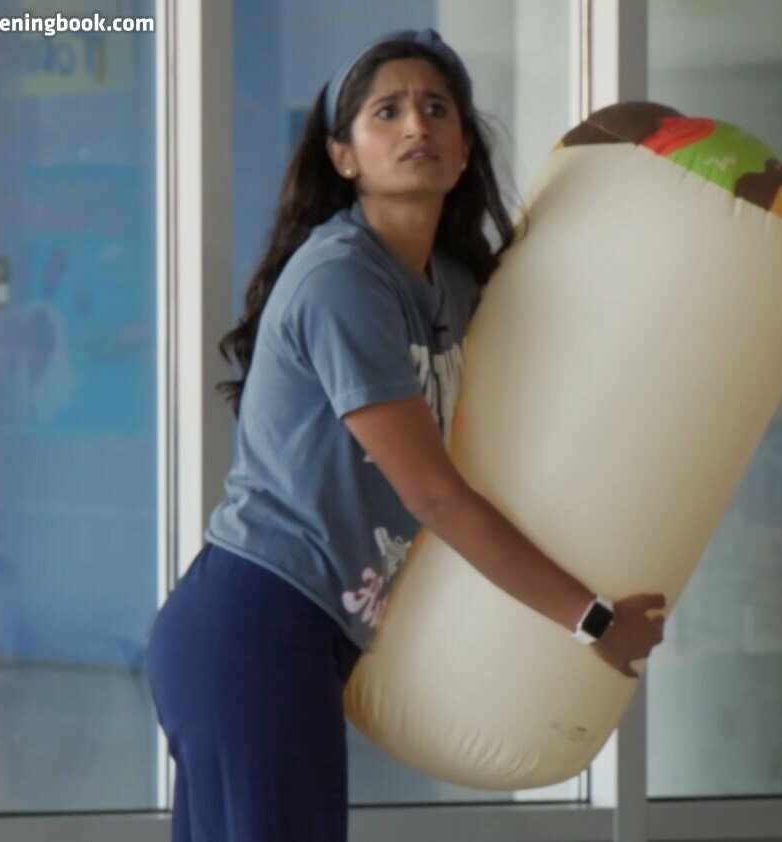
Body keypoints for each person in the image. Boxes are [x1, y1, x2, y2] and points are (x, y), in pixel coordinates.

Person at [146, 28, 666, 842]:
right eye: (386, 112)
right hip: (253, 621)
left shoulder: (449, 282)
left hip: (306, 632)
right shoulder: (340, 279)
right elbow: (432, 495)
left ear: (464, 150)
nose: (416, 125)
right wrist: (593, 620)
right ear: (343, 155)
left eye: (436, 109)